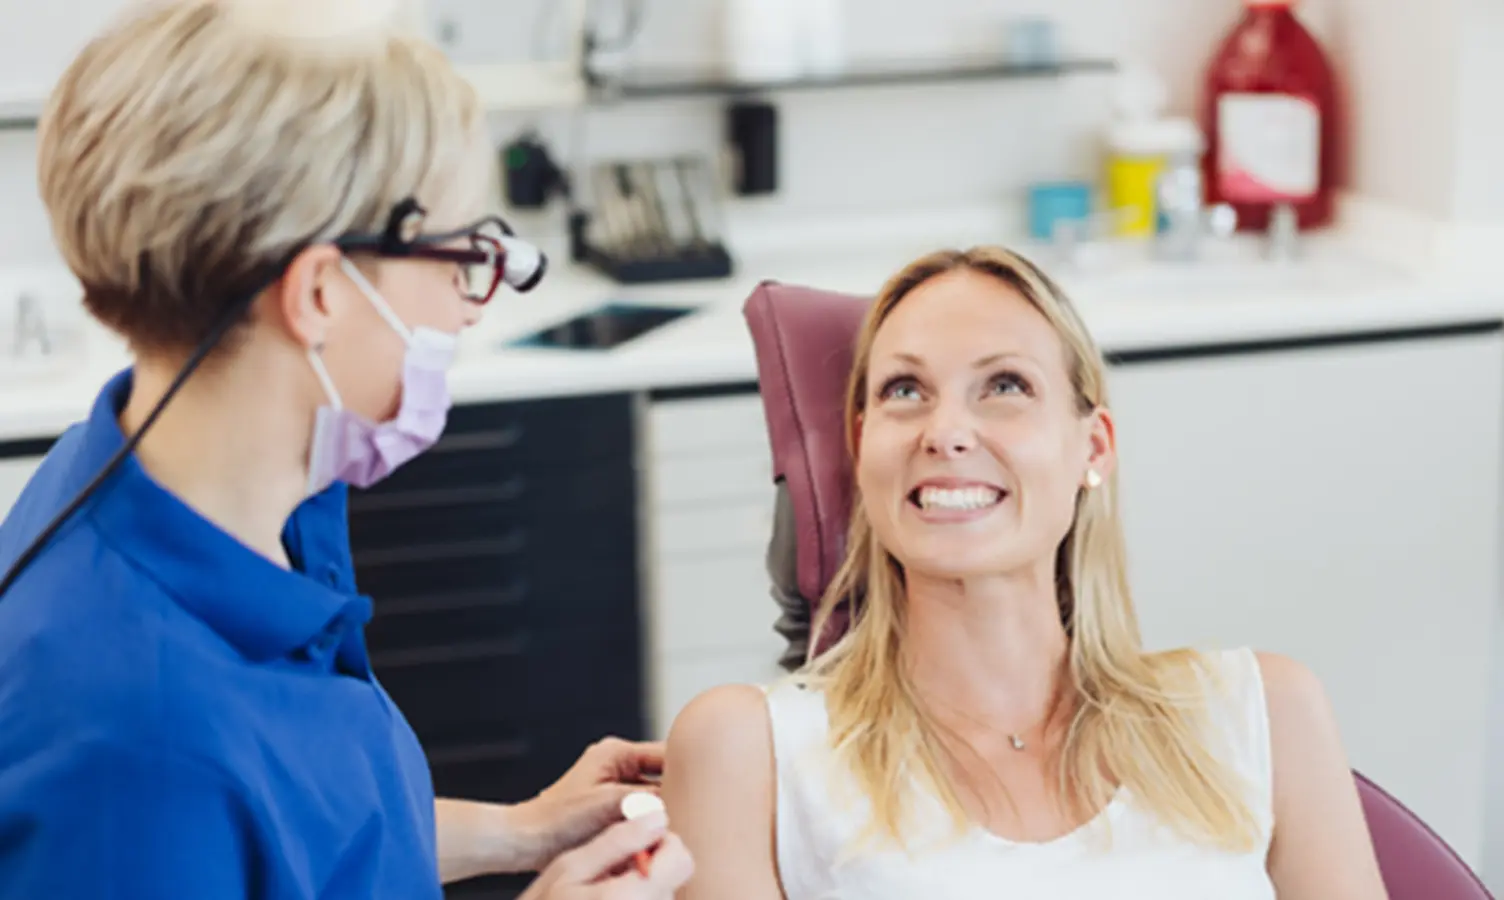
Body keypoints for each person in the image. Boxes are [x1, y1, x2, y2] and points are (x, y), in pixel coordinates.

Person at [0, 1, 691, 897]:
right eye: (460, 255)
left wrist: (522, 831)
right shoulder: (129, 743)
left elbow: (294, 836)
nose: (472, 303)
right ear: (321, 292)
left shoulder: (223, 501)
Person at [661, 246, 1390, 898]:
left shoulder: (1263, 713)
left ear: (1093, 449)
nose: (945, 432)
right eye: (904, 392)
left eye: (1004, 385)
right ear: (861, 446)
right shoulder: (748, 751)